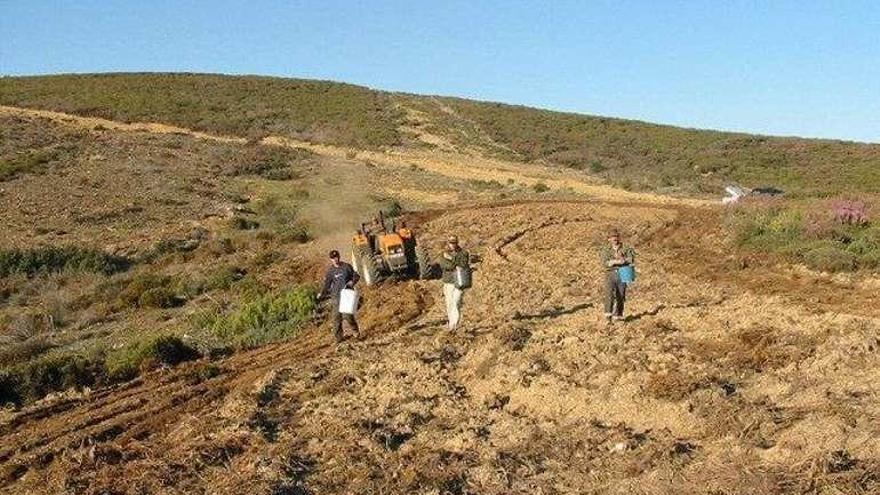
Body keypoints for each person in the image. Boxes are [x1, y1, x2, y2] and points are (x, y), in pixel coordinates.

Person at [317, 249, 360, 342]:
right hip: (336, 296)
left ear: (339, 257)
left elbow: (356, 276)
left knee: (347, 316)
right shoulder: (330, 271)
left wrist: (352, 282)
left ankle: (355, 331)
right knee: (336, 318)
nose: (335, 259)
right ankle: (339, 338)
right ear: (330, 260)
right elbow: (327, 284)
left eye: (336, 257)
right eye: (332, 258)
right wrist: (322, 294)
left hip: (346, 295)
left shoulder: (346, 267)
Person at [600, 230, 635, 323]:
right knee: (609, 294)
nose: (615, 238)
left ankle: (618, 315)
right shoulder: (606, 250)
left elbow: (631, 258)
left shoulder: (626, 248)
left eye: (616, 236)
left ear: (619, 237)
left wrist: (624, 260)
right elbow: (605, 262)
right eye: (612, 237)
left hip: (623, 272)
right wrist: (615, 262)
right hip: (610, 273)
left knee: (621, 294)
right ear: (609, 239)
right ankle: (608, 315)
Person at [438, 235, 470, 330]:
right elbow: (444, 265)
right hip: (448, 282)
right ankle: (451, 323)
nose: (453, 245)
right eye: (451, 243)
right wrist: (455, 264)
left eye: (454, 243)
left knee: (456, 302)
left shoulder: (463, 253)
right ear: (448, 243)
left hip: (459, 281)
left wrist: (451, 259)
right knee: (449, 303)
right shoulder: (443, 254)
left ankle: (454, 324)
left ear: (457, 243)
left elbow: (463, 263)